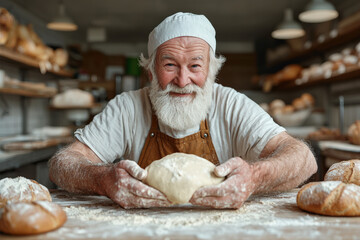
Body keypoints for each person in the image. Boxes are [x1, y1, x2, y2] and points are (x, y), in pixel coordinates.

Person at [49, 12, 317, 209]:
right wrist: (103, 179)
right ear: (152, 71)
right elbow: (62, 164)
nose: (182, 80)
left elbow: (303, 159)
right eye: (170, 65)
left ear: (211, 71)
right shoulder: (127, 108)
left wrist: (254, 177)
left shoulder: (231, 105)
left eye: (195, 66)